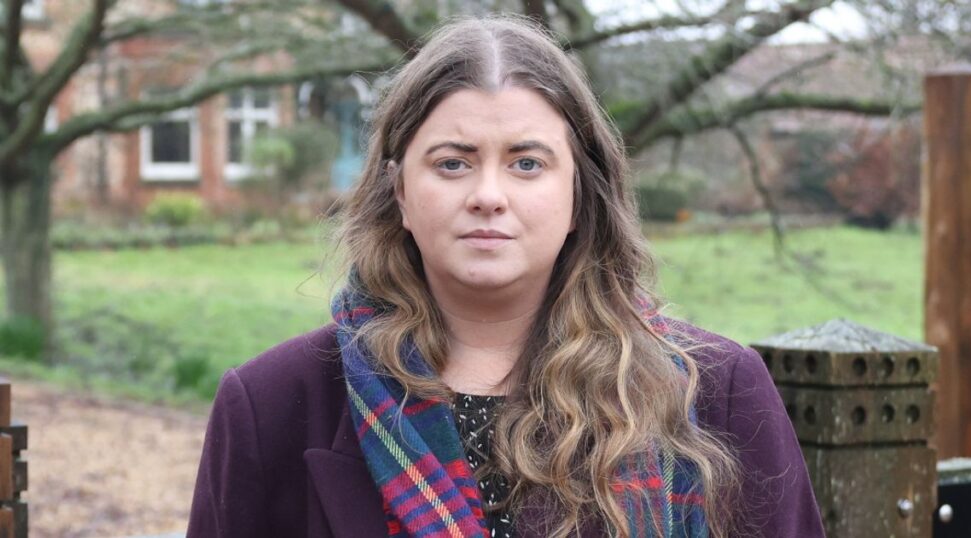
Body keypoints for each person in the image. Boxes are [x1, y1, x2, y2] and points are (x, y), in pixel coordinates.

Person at [186, 15, 825, 538]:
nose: (489, 195)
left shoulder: (715, 393)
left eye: (526, 163)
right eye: (453, 163)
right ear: (401, 190)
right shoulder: (271, 405)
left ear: (580, 193)